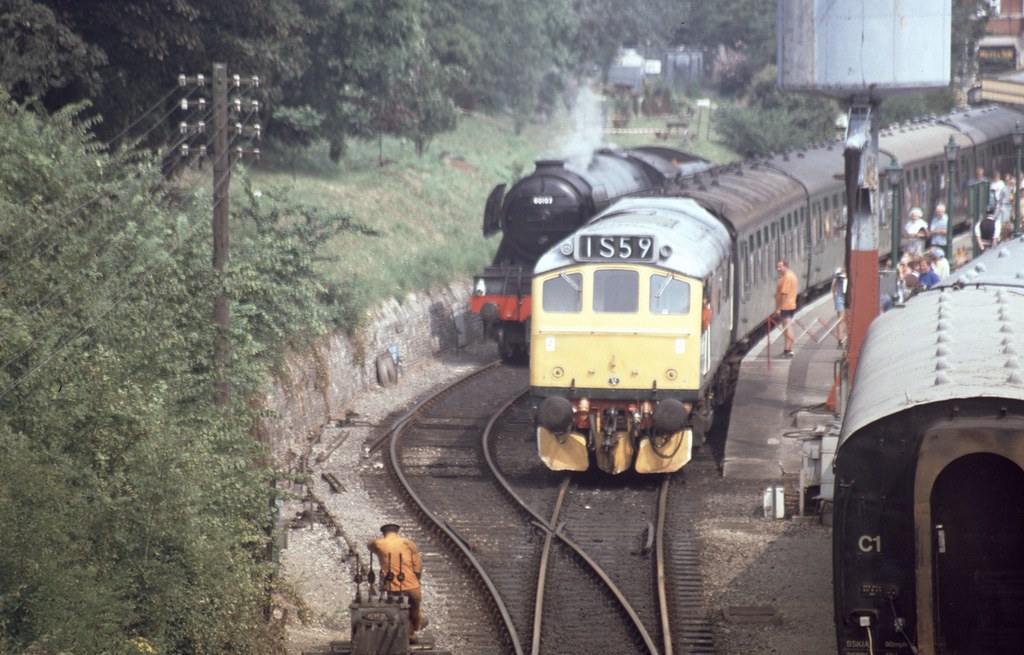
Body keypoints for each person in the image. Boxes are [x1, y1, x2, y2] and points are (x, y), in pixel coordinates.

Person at [368, 523, 424, 643]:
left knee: (397, 609)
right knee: (415, 608)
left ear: (383, 533)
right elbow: (418, 567)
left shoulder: (379, 544)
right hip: (413, 586)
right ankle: (412, 632)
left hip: (394, 587)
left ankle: (404, 635)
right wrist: (416, 580)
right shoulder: (408, 543)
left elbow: (370, 545)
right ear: (397, 532)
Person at [773, 259, 798, 358]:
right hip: (789, 305)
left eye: (780, 267)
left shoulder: (787, 277)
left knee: (787, 327)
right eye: (777, 267)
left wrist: (779, 308)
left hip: (786, 306)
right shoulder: (790, 275)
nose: (778, 269)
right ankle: (787, 350)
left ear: (785, 266)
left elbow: (784, 293)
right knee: (786, 327)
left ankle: (788, 350)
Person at [830, 267, 847, 348]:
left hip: (848, 297)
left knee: (848, 320)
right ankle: (840, 340)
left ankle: (847, 340)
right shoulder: (839, 272)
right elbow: (834, 287)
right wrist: (835, 299)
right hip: (840, 297)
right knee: (840, 319)